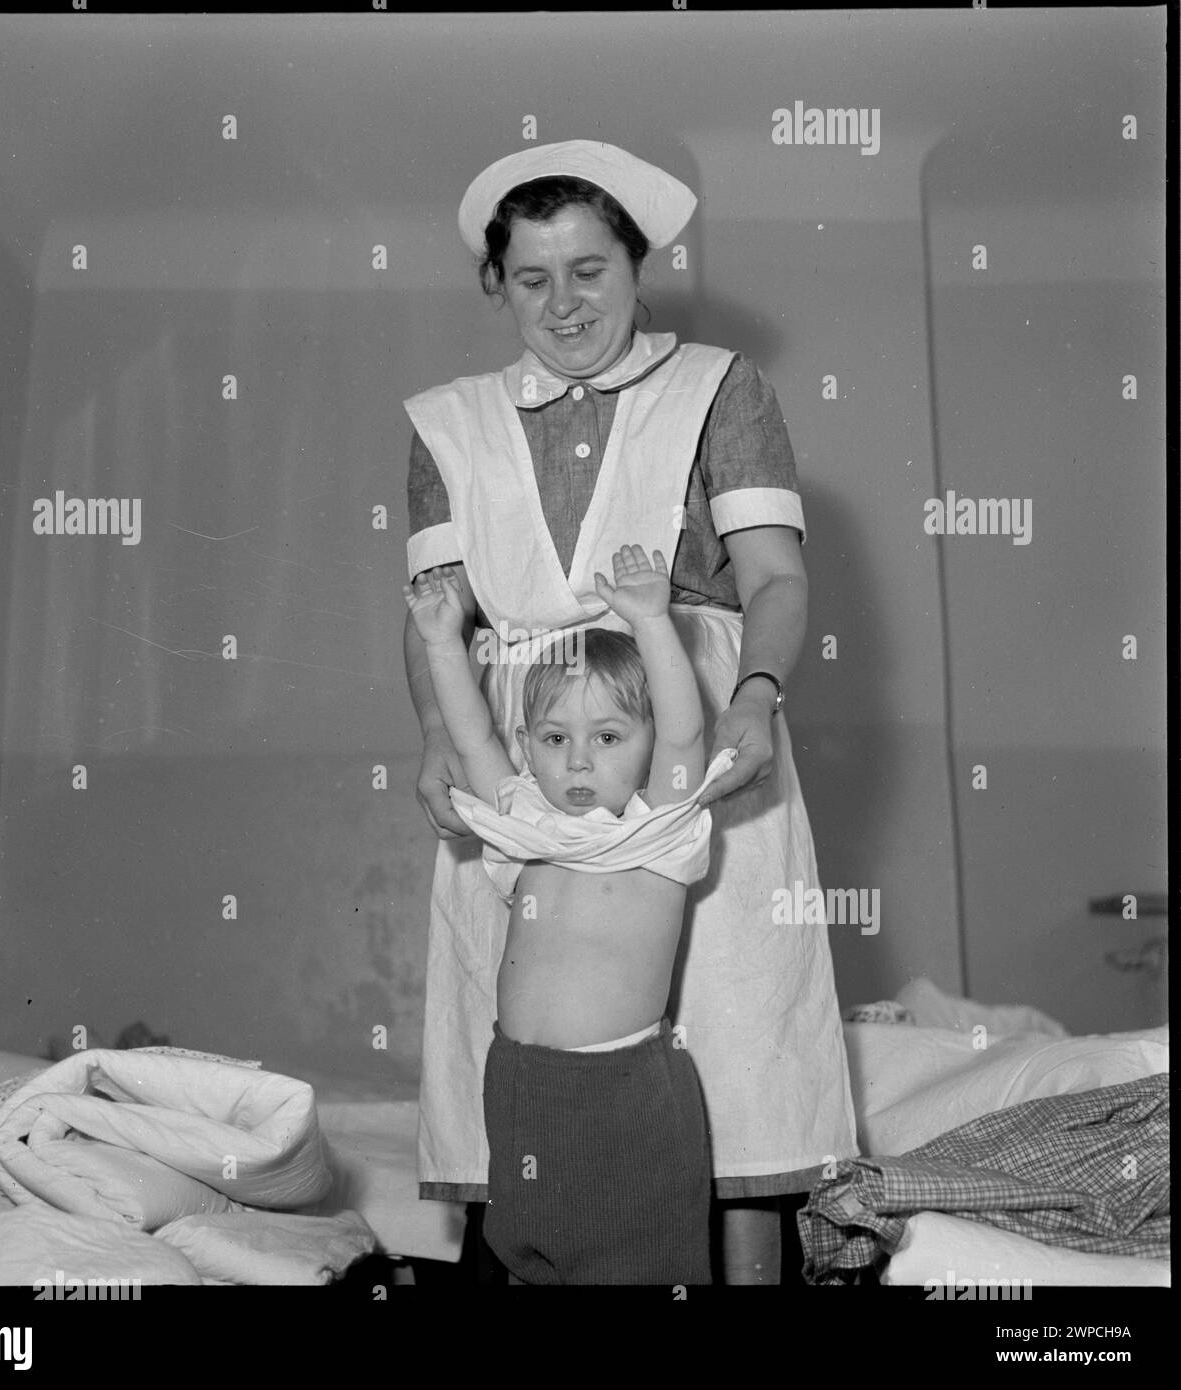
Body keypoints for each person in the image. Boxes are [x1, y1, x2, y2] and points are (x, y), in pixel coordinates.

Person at [402, 139, 857, 1284]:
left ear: (638, 266)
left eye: (590, 270)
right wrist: (430, 741)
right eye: (533, 277)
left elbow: (774, 579)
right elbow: (434, 620)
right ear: (494, 285)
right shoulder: (446, 421)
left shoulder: (718, 384)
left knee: (739, 1024)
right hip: (516, 733)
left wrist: (754, 692)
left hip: (686, 712)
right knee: (526, 1021)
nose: (564, 303)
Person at [403, 546, 732, 1283]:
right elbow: (473, 739)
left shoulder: (658, 834)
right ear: (529, 749)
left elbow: (685, 733)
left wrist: (651, 621)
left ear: (646, 751)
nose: (579, 761)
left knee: (633, 1266)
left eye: (608, 737)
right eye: (556, 739)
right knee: (532, 1256)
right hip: (520, 1088)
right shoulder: (526, 824)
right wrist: (439, 641)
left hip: (620, 1103)